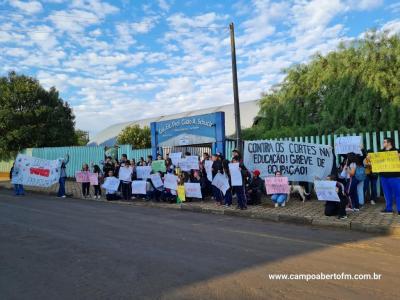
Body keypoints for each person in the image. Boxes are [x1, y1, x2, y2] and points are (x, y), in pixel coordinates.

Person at [377, 137, 400, 215]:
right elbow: (376, 162)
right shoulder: (381, 152)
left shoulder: (397, 151)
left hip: (395, 176)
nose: (383, 143)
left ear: (389, 143)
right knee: (387, 193)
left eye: (384, 142)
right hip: (383, 176)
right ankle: (389, 209)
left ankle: (399, 210)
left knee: (398, 193)